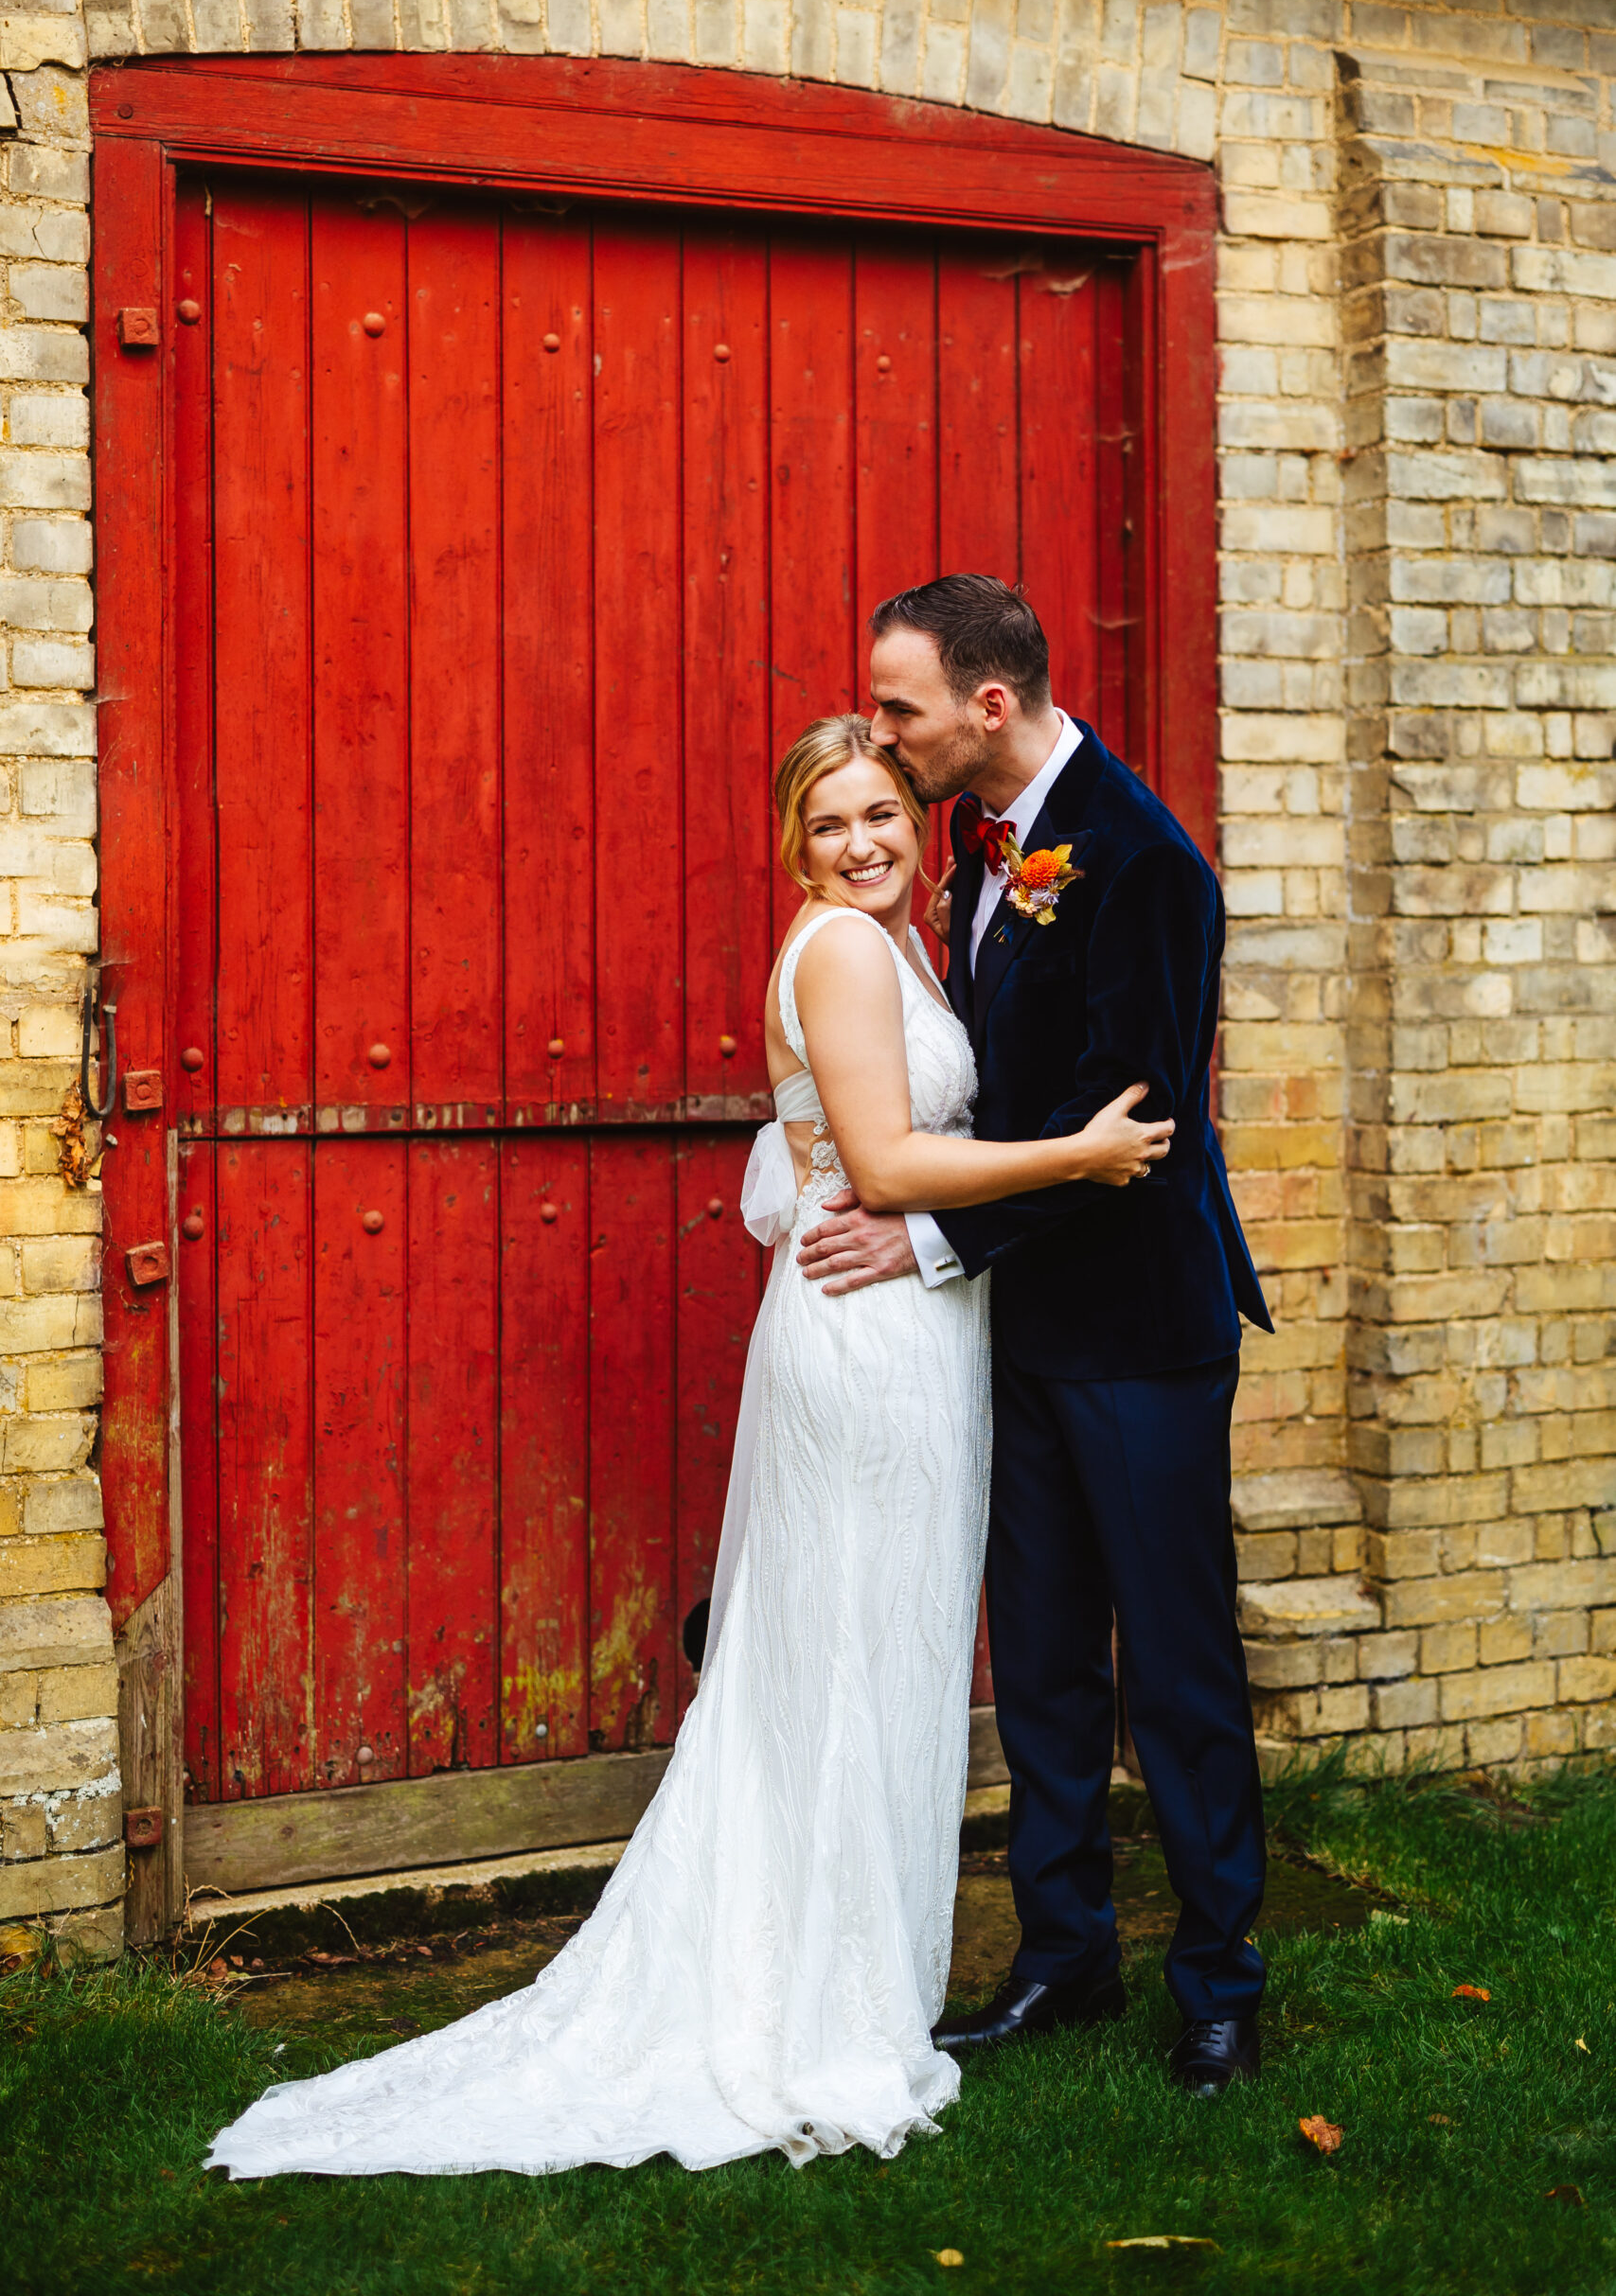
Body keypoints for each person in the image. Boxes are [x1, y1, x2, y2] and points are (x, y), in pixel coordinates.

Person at [204, 712, 1170, 2181]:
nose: (864, 844)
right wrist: (1081, 1154)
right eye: (832, 822)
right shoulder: (843, 948)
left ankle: (837, 1973)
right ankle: (810, 2008)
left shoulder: (904, 941)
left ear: (919, 823)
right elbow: (897, 1165)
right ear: (795, 838)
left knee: (865, 1659)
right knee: (849, 1662)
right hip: (870, 1345)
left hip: (917, 1328)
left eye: (883, 816)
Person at [799, 575, 1274, 2096]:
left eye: (901, 709)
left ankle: (1221, 1978)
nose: (885, 734)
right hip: (1014, 1333)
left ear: (985, 709)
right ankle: (1064, 1955)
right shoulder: (975, 851)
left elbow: (1123, 1128)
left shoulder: (1144, 863)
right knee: (1049, 1665)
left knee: (1179, 1671)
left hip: (1140, 1334)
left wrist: (931, 1234)